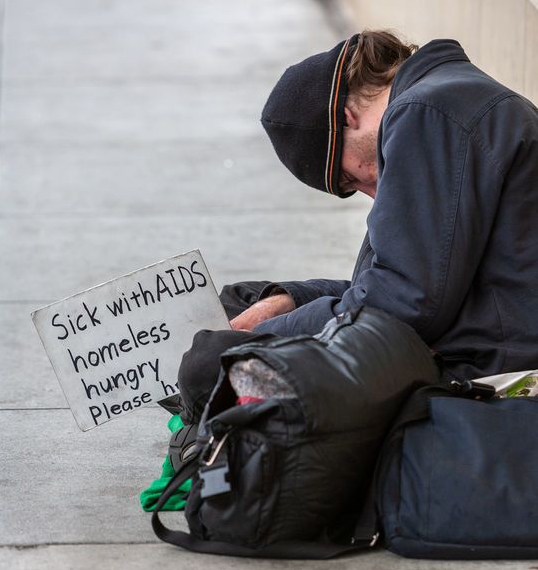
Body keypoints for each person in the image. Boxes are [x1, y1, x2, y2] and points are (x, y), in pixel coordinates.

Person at [170, 30, 538, 438]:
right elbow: (399, 285)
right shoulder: (440, 99)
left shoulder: (426, 113)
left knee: (213, 363)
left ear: (345, 118)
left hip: (481, 371)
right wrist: (289, 301)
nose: (370, 192)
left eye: (350, 178)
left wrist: (266, 335)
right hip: (462, 334)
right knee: (239, 302)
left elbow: (405, 305)